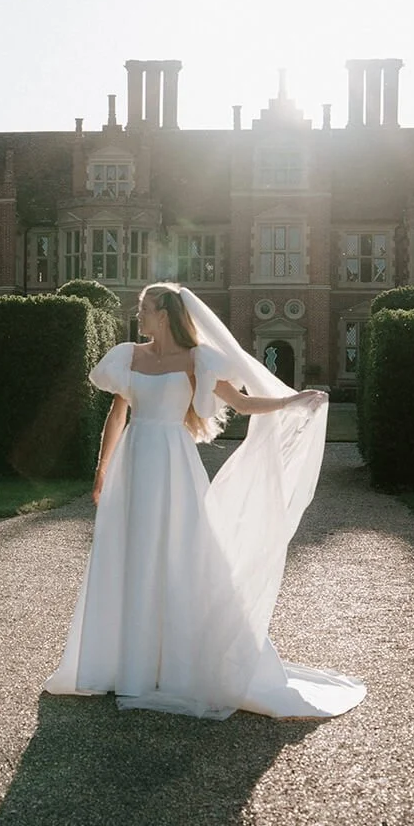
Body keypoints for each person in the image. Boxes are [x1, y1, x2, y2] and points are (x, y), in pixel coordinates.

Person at [44, 282, 366, 720]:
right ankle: (127, 666)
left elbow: (243, 403)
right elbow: (117, 414)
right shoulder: (127, 356)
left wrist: (293, 399)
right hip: (134, 464)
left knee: (182, 556)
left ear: (164, 313)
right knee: (130, 555)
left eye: (145, 309)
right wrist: (102, 470)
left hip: (173, 464)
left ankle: (176, 665)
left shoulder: (199, 360)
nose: (139, 316)